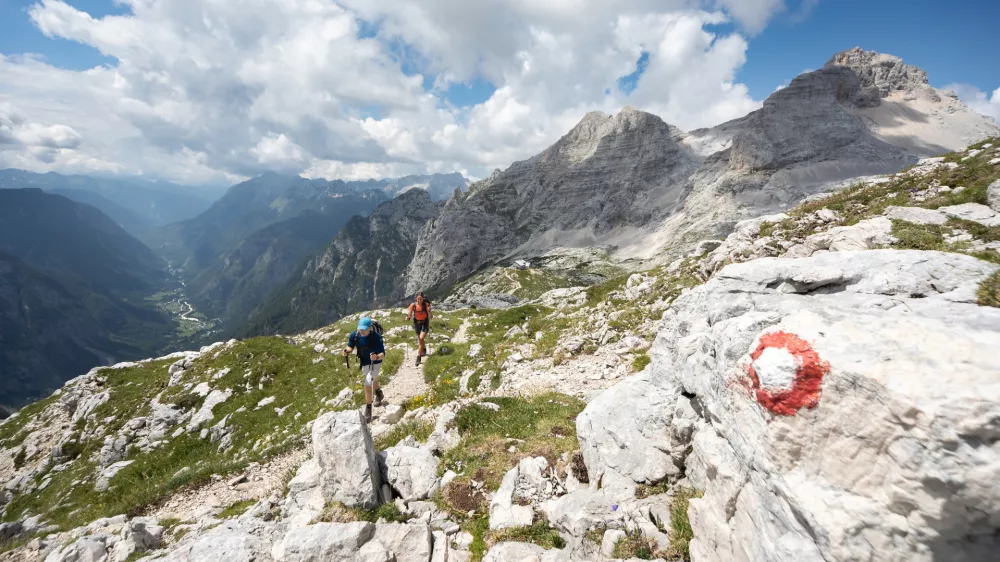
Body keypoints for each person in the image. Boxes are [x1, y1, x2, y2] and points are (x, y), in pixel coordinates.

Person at [342, 316, 385, 423]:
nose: (362, 331)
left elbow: (382, 354)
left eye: (364, 329)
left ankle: (368, 409)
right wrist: (347, 351)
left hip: (375, 362)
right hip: (364, 362)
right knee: (372, 379)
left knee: (367, 383)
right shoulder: (355, 335)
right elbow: (350, 346)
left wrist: (377, 357)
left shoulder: (376, 336)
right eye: (360, 329)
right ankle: (379, 393)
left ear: (370, 328)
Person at [405, 291, 432, 366]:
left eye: (421, 299)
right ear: (416, 299)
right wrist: (407, 317)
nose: (419, 300)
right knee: (420, 339)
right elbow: (409, 315)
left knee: (421, 338)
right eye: (418, 299)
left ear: (423, 298)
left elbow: (431, 317)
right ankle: (423, 349)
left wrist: (430, 311)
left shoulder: (426, 305)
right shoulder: (412, 305)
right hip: (416, 323)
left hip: (425, 323)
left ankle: (419, 357)